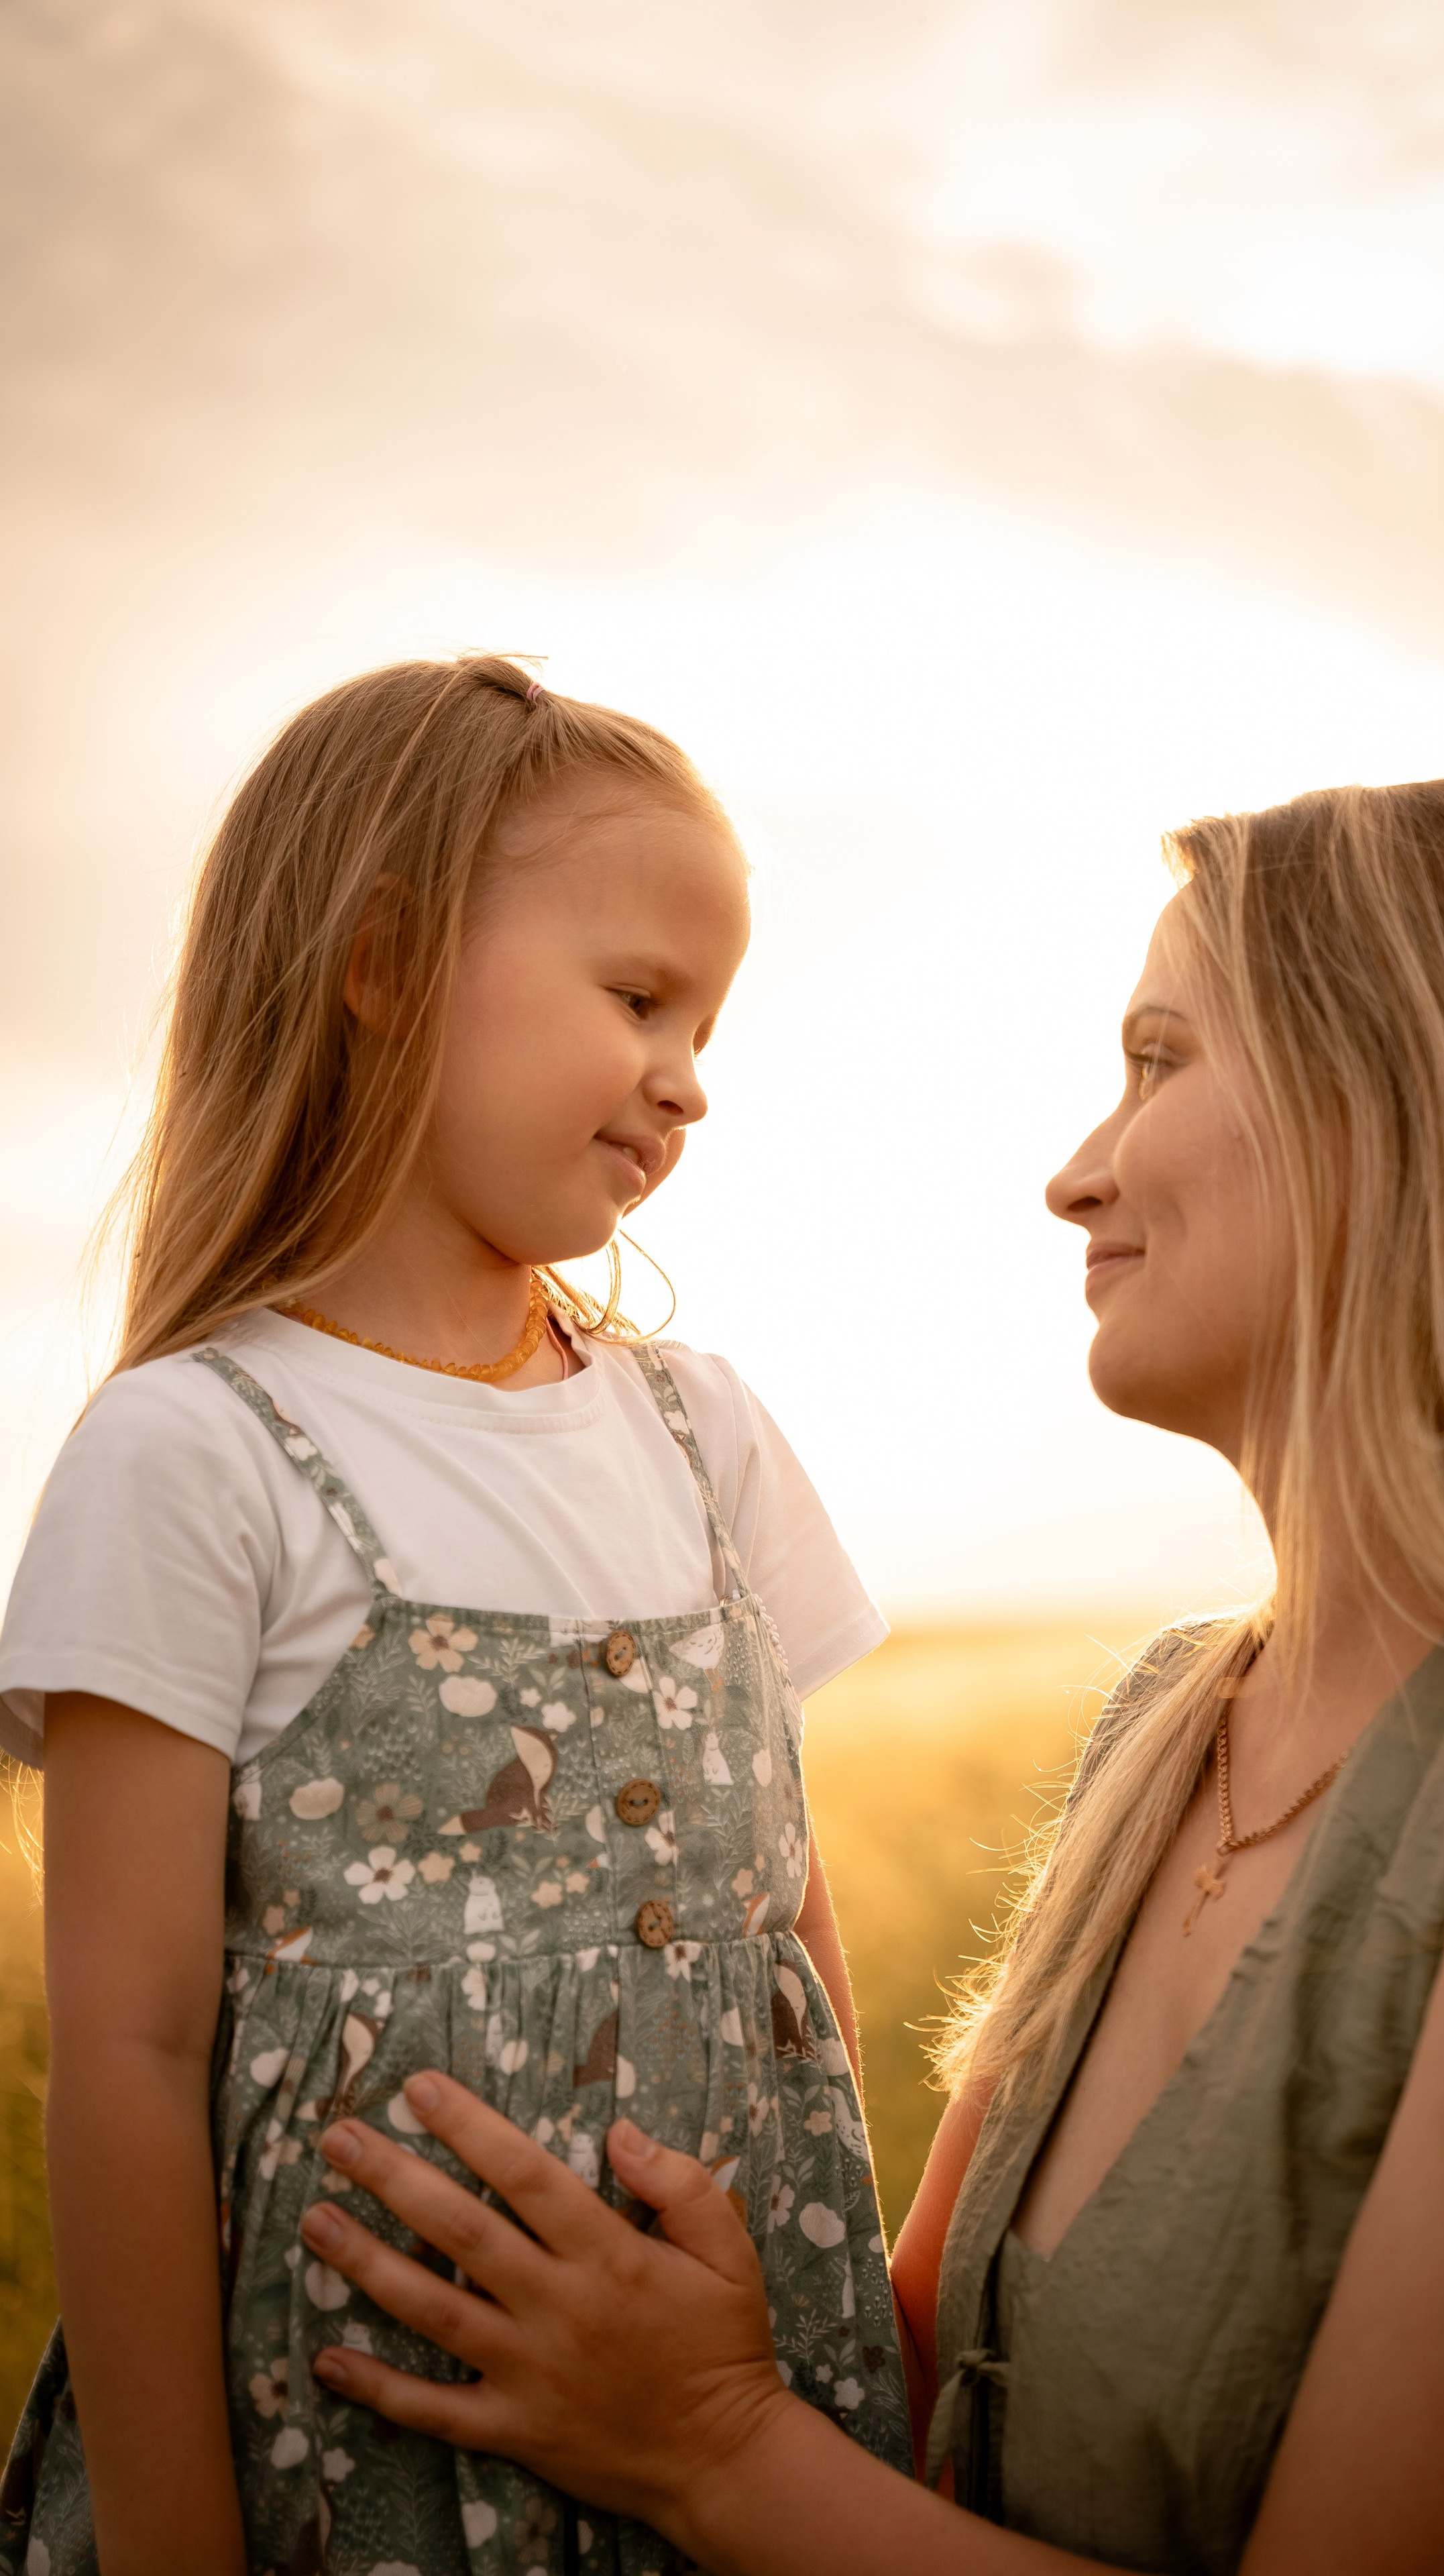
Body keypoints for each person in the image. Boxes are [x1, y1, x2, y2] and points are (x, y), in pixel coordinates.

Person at [288, 776, 1444, 2576]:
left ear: (1421, 1113)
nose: (1078, 1172)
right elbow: (915, 2408)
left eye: (1162, 1058)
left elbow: (775, 2456)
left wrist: (713, 2452)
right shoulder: (1181, 1721)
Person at [0, 655, 909, 2576]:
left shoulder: (702, 1431)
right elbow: (133, 2054)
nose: (691, 1075)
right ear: (386, 963)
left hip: (735, 2420)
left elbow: (790, 1952)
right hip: (358, 2459)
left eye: (710, 1017)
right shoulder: (199, 1452)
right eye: (640, 997)